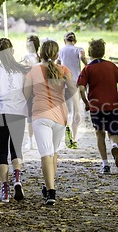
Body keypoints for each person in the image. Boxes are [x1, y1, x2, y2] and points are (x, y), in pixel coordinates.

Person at [23, 40, 78, 205]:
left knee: (46, 153)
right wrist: (78, 112)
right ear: (56, 55)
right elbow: (73, 90)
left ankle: (51, 191)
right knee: (53, 152)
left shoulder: (33, 71)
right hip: (60, 116)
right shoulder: (64, 70)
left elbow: (25, 94)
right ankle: (50, 188)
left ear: (40, 53)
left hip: (41, 115)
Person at [0, 38, 30, 203]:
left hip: (0, 112)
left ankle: (5, 189)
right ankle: (17, 179)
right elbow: (27, 93)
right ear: (13, 51)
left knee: (1, 150)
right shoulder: (22, 71)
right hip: (18, 112)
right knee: (16, 149)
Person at [77, 39, 118, 174]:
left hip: (96, 106)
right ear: (103, 52)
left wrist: (86, 102)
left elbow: (81, 88)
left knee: (100, 134)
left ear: (90, 52)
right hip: (112, 104)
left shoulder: (87, 69)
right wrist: (117, 95)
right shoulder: (111, 66)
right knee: (113, 132)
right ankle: (115, 145)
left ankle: (105, 164)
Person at [57, 32, 88, 149]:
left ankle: (67, 132)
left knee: (68, 111)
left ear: (65, 40)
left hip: (65, 83)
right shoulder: (78, 49)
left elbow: (58, 64)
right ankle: (74, 138)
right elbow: (82, 57)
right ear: (75, 40)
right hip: (76, 83)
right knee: (76, 111)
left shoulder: (61, 50)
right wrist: (87, 63)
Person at [23, 34, 40, 150]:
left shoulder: (26, 57)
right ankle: (34, 140)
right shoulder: (41, 56)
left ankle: (31, 140)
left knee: (30, 116)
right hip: (40, 88)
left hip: (30, 87)